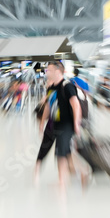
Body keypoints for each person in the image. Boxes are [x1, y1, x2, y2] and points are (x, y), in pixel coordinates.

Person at [38, 60, 88, 193]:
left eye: (49, 70)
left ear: (58, 71)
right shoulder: (51, 88)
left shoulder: (67, 86)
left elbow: (76, 105)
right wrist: (42, 122)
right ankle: (82, 173)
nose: (47, 72)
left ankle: (62, 182)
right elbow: (49, 106)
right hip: (56, 123)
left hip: (67, 124)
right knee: (66, 153)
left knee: (61, 153)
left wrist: (76, 124)